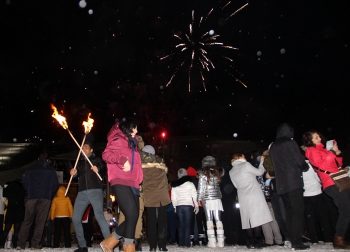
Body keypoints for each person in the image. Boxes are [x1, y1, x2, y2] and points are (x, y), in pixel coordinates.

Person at [101, 120, 143, 252]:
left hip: (133, 182)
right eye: (134, 129)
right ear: (127, 129)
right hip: (120, 180)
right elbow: (106, 154)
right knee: (131, 214)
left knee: (134, 215)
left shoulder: (133, 143)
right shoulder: (118, 139)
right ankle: (128, 246)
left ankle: (109, 242)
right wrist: (121, 160)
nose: (136, 131)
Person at [303, 130, 350, 249]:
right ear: (310, 140)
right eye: (315, 137)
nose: (319, 138)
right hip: (331, 183)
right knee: (345, 210)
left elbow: (336, 165)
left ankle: (343, 237)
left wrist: (338, 154)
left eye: (319, 136)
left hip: (340, 180)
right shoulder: (311, 151)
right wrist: (332, 152)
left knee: (347, 209)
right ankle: (339, 239)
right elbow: (322, 166)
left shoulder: (323, 150)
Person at [269, 123, 310, 250]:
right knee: (297, 212)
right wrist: (305, 166)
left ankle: (290, 239)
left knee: (289, 212)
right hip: (293, 182)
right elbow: (298, 160)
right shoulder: (290, 143)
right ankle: (297, 242)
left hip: (281, 185)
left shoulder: (273, 146)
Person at [70, 142, 110, 252]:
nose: (83, 149)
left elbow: (104, 168)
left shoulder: (96, 158)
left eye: (86, 147)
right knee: (75, 218)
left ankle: (109, 244)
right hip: (82, 192)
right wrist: (73, 173)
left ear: (91, 150)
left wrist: (99, 169)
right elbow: (76, 174)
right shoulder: (79, 161)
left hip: (95, 190)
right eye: (82, 147)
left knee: (99, 216)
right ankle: (82, 246)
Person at [15, 153, 59, 250]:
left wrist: (30, 191)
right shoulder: (50, 170)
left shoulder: (30, 169)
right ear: (47, 160)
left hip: (32, 196)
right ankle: (35, 244)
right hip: (45, 197)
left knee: (27, 221)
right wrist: (49, 193)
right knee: (40, 222)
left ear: (38, 159)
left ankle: (20, 244)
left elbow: (24, 183)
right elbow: (55, 184)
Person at [229, 153, 273, 249]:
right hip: (253, 192)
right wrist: (261, 162)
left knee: (246, 218)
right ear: (239, 157)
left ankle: (249, 240)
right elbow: (259, 172)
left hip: (242, 195)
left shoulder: (231, 171)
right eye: (244, 156)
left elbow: (235, 185)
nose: (245, 157)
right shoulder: (246, 165)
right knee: (256, 216)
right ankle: (258, 240)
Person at [141, 144, 170, 251]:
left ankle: (153, 246)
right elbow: (166, 174)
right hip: (161, 194)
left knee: (151, 221)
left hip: (149, 195)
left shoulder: (141, 163)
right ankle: (162, 246)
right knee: (162, 220)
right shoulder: (160, 161)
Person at [301, 157, 333, 245]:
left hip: (305, 195)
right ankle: (327, 238)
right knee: (323, 217)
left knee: (310, 218)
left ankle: (314, 239)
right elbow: (318, 178)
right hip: (317, 193)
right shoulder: (311, 165)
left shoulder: (296, 167)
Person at [197, 156, 225, 248]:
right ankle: (220, 241)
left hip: (207, 198)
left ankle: (212, 241)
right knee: (218, 219)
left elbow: (201, 188)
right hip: (217, 198)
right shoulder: (218, 172)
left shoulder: (203, 173)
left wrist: (198, 199)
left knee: (209, 219)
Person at [171, 168, 199, 248]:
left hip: (179, 205)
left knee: (180, 224)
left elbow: (173, 197)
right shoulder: (190, 184)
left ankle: (181, 243)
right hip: (188, 205)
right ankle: (186, 243)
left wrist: (174, 206)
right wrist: (196, 205)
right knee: (187, 225)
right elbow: (194, 195)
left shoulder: (175, 185)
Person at [1, 180, 25, 249]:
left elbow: (4, 194)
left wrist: (6, 188)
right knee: (16, 230)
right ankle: (15, 245)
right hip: (19, 211)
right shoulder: (21, 190)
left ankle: (2, 244)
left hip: (11, 210)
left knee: (6, 229)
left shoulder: (10, 190)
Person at [187, 166, 206, 246]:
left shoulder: (187, 182)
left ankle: (191, 239)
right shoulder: (198, 181)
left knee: (191, 221)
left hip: (190, 203)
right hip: (199, 202)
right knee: (199, 221)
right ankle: (201, 238)